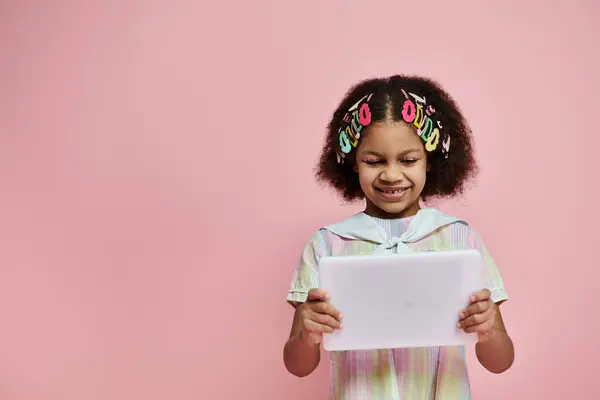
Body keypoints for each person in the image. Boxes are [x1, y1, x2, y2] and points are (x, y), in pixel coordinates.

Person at [283, 75, 515, 399]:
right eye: (374, 161)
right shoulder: (327, 245)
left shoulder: (460, 239)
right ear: (353, 162)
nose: (391, 174)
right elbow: (298, 365)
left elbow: (500, 361)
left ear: (429, 159)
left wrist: (488, 330)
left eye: (408, 160)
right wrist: (307, 335)